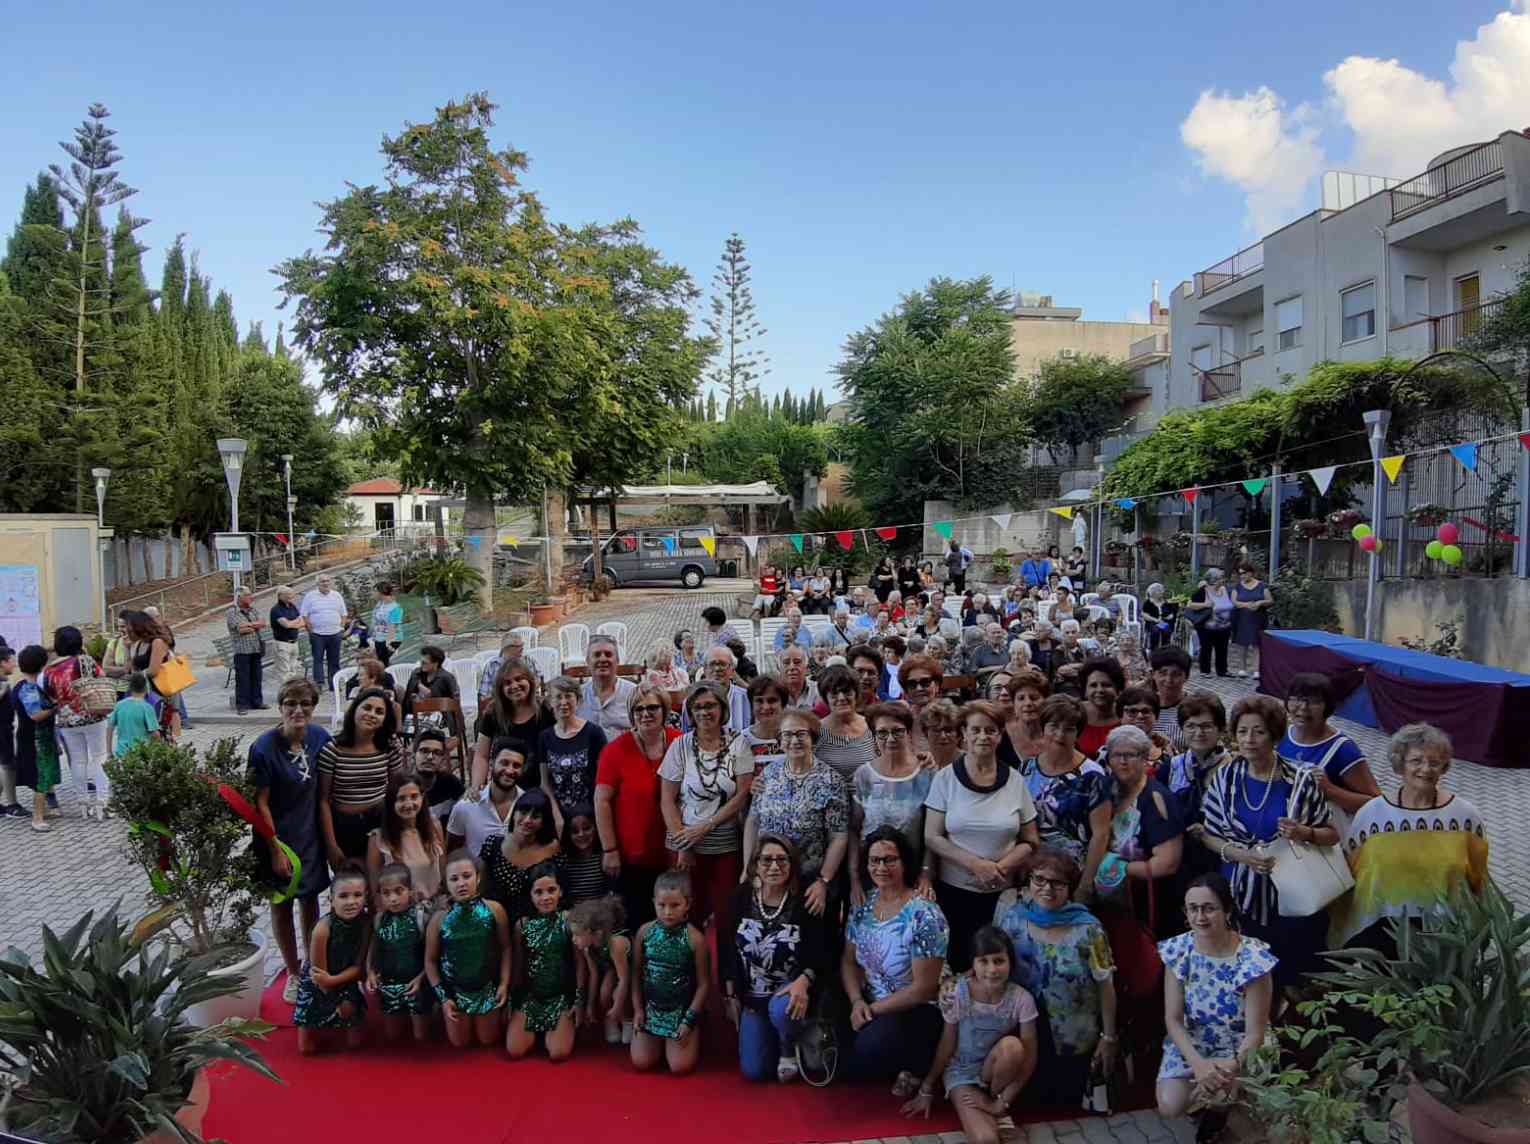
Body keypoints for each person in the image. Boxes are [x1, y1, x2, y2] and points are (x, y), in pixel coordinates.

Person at [1199, 696, 1336, 989]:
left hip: (1292, 894)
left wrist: (1304, 832)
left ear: (1274, 734)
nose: (1249, 739)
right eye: (1242, 731)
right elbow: (1208, 835)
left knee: (1289, 975)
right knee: (1244, 974)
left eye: (1258, 731)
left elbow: (1331, 834)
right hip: (1239, 893)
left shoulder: (1299, 780)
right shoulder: (1225, 778)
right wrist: (1243, 856)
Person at [1331, 723, 1489, 954]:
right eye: (1416, 760)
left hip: (1444, 933)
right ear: (1399, 765)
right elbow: (1350, 872)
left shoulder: (1466, 817)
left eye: (1434, 762)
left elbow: (1479, 880)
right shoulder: (1372, 815)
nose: (1426, 769)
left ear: (1444, 767)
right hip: (1379, 930)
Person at [994, 848, 1118, 1108]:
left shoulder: (1089, 929)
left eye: (1057, 882)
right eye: (1039, 879)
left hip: (1072, 1038)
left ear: (1069, 887)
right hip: (1023, 1032)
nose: (1047, 888)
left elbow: (1106, 986)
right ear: (1029, 881)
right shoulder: (1013, 920)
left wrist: (1109, 1038)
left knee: (1060, 1100)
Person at [925, 700, 1042, 971]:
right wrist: (975, 865)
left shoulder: (1015, 780)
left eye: (990, 730)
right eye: (975, 730)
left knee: (999, 968)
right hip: (954, 894)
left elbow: (1031, 840)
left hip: (1003, 895)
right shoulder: (945, 779)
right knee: (959, 964)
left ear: (1000, 735)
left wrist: (998, 869)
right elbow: (932, 836)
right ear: (963, 735)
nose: (982, 737)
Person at [1156, 874, 1276, 1124]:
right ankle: (1207, 1105)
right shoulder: (1179, 950)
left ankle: (1223, 1112)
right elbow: (1173, 1018)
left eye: (1209, 909)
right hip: (1195, 1041)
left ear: (1227, 910)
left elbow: (1256, 1032)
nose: (1200, 917)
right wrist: (1198, 1065)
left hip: (1240, 1046)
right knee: (1170, 1104)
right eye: (1193, 909)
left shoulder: (1252, 957)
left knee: (1223, 1096)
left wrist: (1227, 1068)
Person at [901, 926, 1039, 1144]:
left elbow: (1029, 1057)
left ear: (1010, 962)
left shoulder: (1022, 999)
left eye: (999, 960)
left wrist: (1001, 1103)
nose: (992, 969)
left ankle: (997, 1109)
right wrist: (927, 1087)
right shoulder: (957, 993)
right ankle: (988, 1114)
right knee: (986, 1140)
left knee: (1013, 1046)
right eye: (983, 961)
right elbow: (947, 1043)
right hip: (961, 1072)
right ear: (972, 965)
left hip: (996, 1072)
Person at [842, 826, 950, 1089]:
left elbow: (924, 989)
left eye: (890, 859)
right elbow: (848, 961)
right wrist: (857, 1001)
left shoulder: (924, 914)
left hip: (914, 1010)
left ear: (904, 863)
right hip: (870, 1000)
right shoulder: (864, 906)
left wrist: (871, 1011)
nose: (881, 867)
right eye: (875, 860)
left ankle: (917, 1065)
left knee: (866, 1053)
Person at [721, 835, 830, 1083]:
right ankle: (774, 1035)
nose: (774, 867)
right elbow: (726, 948)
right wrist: (728, 994)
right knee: (755, 1071)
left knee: (781, 1011)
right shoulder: (739, 898)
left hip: (790, 995)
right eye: (767, 860)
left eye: (782, 860)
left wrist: (805, 980)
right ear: (755, 865)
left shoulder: (805, 900)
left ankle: (790, 1041)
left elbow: (823, 952)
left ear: (792, 865)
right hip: (752, 998)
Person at [250, 678, 331, 1002]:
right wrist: (274, 849)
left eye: (305, 704)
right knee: (281, 901)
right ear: (281, 707)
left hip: (309, 831)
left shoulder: (319, 738)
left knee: (309, 898)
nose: (298, 710)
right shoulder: (264, 748)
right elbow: (260, 802)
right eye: (291, 704)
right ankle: (292, 972)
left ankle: (311, 965)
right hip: (278, 835)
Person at [660, 680, 753, 932]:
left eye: (710, 705)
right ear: (689, 712)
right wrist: (684, 844)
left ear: (723, 708)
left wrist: (705, 827)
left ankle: (724, 969)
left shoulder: (738, 743)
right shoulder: (679, 745)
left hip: (725, 844)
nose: (704, 712)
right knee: (686, 914)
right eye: (697, 707)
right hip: (684, 845)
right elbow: (667, 799)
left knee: (726, 913)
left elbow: (742, 793)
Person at [742, 707, 850, 916]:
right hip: (769, 877)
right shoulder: (768, 774)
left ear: (812, 738)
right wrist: (748, 868)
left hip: (809, 882)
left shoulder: (831, 780)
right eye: (788, 735)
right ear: (780, 741)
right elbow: (753, 821)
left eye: (801, 734)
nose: (795, 740)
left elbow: (839, 837)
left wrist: (823, 881)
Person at [595, 687, 681, 928]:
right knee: (636, 924)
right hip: (631, 858)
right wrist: (609, 849)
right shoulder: (615, 751)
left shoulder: (681, 743)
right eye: (638, 709)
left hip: (675, 855)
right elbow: (601, 801)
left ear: (664, 710)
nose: (645, 713)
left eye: (652, 707)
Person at [1019, 694, 1112, 901]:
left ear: (1077, 733)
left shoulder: (1092, 774)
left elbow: (1101, 834)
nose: (1060, 735)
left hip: (1073, 876)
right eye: (1053, 726)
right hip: (1034, 875)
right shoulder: (1026, 768)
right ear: (1043, 728)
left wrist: (1086, 884)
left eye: (1069, 729)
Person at [1098, 725, 1185, 935]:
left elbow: (1168, 863)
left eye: (1131, 755)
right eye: (1117, 755)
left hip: (1146, 906)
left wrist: (1115, 868)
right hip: (1109, 903)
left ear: (1145, 758)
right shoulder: (1107, 789)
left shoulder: (1156, 797)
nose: (1123, 761)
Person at [427, 850, 513, 1049]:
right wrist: (444, 998)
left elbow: (507, 948)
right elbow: (430, 961)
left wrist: (503, 984)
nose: (461, 883)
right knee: (460, 1043)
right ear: (447, 884)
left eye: (467, 876)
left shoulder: (494, 910)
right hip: (455, 991)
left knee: (487, 1040)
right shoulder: (439, 919)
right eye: (454, 879)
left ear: (478, 877)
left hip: (486, 988)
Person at [852, 703, 936, 905]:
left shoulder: (927, 774)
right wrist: (854, 877)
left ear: (908, 733)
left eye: (897, 731)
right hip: (871, 874)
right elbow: (854, 829)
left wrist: (926, 874)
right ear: (873, 736)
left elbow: (934, 834)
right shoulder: (863, 775)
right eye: (882, 733)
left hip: (911, 875)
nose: (890, 739)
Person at [631, 870, 710, 1074]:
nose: (667, 912)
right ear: (653, 903)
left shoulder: (695, 939)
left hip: (680, 1012)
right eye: (662, 905)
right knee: (641, 1062)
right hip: (651, 1009)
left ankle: (691, 1035)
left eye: (675, 905)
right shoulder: (644, 932)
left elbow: (703, 984)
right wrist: (638, 1010)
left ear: (688, 904)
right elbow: (636, 975)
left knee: (679, 1067)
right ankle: (657, 1041)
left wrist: (688, 1021)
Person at [317, 687, 404, 866]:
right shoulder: (332, 750)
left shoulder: (389, 747)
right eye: (367, 708)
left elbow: (397, 791)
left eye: (379, 712)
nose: (372, 714)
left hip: (379, 822)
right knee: (351, 883)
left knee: (380, 882)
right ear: (355, 709)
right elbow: (323, 801)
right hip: (344, 826)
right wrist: (331, 845)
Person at [1279, 672, 1381, 822]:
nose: (1303, 707)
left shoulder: (1342, 749)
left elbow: (1377, 804)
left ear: (1328, 706)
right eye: (1297, 699)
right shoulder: (1282, 734)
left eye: (1313, 701)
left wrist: (1329, 790)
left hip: (1323, 837)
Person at [507, 862, 584, 1061]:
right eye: (538, 892)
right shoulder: (522, 925)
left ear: (561, 891)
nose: (546, 897)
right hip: (531, 997)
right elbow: (518, 967)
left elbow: (580, 964)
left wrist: (579, 999)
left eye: (551, 890)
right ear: (530, 895)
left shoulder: (568, 920)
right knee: (515, 1051)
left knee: (558, 1054)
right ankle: (533, 1030)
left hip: (560, 998)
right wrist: (513, 1001)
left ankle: (556, 1029)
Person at [294, 862, 371, 1054]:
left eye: (357, 895)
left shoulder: (365, 924)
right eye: (343, 896)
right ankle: (313, 1024)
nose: (351, 901)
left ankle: (347, 1014)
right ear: (331, 899)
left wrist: (337, 983)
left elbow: (359, 967)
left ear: (366, 897)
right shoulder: (322, 929)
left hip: (344, 978)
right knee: (306, 1050)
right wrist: (332, 991)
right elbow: (319, 976)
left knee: (355, 1042)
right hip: (317, 983)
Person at [43, 626, 112, 819]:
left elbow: (50, 696)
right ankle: (102, 802)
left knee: (78, 760)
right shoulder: (84, 661)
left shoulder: (50, 670)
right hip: (93, 714)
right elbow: (102, 679)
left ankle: (83, 804)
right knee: (99, 756)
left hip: (67, 721)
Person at [367, 863, 435, 1042]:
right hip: (390, 983)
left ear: (410, 891)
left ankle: (431, 1012)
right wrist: (371, 973)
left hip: (417, 984)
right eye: (386, 893)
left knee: (421, 1036)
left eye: (399, 891)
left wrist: (421, 978)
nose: (393, 899)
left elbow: (432, 955)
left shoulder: (421, 917)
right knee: (393, 1036)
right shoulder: (380, 919)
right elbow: (372, 950)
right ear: (380, 895)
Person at [1165, 692, 1231, 875]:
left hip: (1219, 857)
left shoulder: (1233, 770)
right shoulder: (1173, 766)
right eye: (1191, 726)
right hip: (1177, 856)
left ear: (1220, 728)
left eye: (1206, 726)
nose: (1198, 733)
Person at [366, 770, 445, 912]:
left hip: (435, 910)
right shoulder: (378, 839)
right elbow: (375, 892)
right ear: (391, 802)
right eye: (401, 798)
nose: (409, 804)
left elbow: (444, 873)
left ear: (422, 797)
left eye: (414, 797)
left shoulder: (434, 827)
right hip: (399, 915)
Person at [481, 788, 563, 922]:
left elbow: (560, 892)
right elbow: (481, 887)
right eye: (523, 812)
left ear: (544, 822)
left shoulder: (553, 849)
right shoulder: (493, 844)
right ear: (514, 813)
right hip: (495, 923)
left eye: (535, 816)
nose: (527, 820)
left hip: (536, 928)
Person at [471, 658, 551, 792]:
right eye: (507, 683)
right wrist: (476, 787)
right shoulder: (492, 714)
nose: (514, 686)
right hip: (505, 787)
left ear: (530, 681)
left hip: (541, 787)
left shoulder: (547, 710)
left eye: (519, 679)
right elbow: (481, 755)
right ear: (500, 689)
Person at [539, 675, 609, 827]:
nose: (563, 702)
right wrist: (556, 815)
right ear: (551, 702)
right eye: (558, 697)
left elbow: (603, 778)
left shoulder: (594, 733)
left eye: (568, 696)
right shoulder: (545, 737)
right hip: (559, 814)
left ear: (577, 700)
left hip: (590, 812)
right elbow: (545, 783)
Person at [447, 738, 524, 859]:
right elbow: (453, 854)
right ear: (492, 764)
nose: (510, 770)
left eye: (516, 765)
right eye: (504, 763)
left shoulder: (530, 806)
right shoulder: (465, 807)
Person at [570, 895, 632, 1045]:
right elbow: (594, 975)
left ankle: (627, 1019)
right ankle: (609, 1019)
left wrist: (617, 1006)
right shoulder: (587, 948)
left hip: (631, 971)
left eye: (577, 935)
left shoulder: (616, 944)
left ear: (596, 933)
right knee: (604, 992)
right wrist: (590, 1005)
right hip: (612, 968)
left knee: (618, 993)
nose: (573, 939)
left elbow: (624, 978)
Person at [12, 645, 58, 832]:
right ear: (41, 665)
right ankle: (37, 817)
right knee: (40, 777)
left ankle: (44, 811)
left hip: (35, 737)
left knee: (44, 775)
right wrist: (55, 706)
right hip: (35, 738)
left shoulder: (21, 686)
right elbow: (36, 715)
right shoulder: (29, 689)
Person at [816, 663, 876, 786]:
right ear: (825, 698)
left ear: (856, 694)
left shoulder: (873, 726)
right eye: (834, 693)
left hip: (868, 801)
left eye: (847, 692)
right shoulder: (814, 731)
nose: (841, 697)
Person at [401, 646, 462, 748]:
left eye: (425, 662)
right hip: (417, 715)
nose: (421, 665)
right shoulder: (416, 674)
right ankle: (418, 746)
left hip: (442, 718)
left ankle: (419, 745)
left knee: (428, 727)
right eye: (421, 662)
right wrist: (415, 697)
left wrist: (420, 687)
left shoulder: (446, 678)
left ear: (435, 663)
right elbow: (409, 697)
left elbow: (454, 703)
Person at [579, 634, 637, 735]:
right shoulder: (578, 696)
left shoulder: (633, 693)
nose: (602, 659)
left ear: (618, 661)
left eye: (608, 654)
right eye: (596, 655)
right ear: (587, 662)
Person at [300, 574, 350, 688]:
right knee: (317, 658)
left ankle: (334, 683)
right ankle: (319, 683)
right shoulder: (310, 596)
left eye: (327, 581)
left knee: (334, 659)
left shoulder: (336, 595)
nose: (325, 583)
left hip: (335, 633)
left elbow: (344, 613)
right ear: (318, 583)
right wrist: (310, 628)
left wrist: (341, 627)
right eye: (322, 581)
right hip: (317, 634)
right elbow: (304, 614)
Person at [688, 645, 752, 733]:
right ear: (705, 669)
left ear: (732, 670)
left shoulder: (747, 699)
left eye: (722, 664)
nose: (717, 669)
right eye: (712, 664)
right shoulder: (691, 701)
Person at [409, 727, 464, 827]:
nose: (430, 757)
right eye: (424, 751)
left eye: (437, 753)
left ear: (443, 759)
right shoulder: (402, 788)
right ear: (413, 756)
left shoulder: (451, 784)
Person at [1184, 568, 1234, 678]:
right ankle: (1205, 671)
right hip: (1207, 626)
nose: (1223, 580)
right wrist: (1205, 604)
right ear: (1214, 580)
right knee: (1206, 648)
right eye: (1221, 578)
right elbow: (1190, 605)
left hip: (1224, 626)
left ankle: (1222, 671)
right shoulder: (1203, 591)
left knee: (1223, 649)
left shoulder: (1225, 590)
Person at [225, 588, 266, 714]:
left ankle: (257, 701)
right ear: (239, 597)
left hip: (255, 647)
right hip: (242, 650)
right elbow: (239, 629)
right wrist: (254, 625)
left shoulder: (252, 610)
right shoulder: (232, 611)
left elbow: (262, 623)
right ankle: (242, 705)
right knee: (242, 678)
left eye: (250, 595)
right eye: (247, 595)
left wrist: (249, 625)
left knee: (257, 676)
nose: (250, 597)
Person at [1230, 564, 1273, 679]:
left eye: (1244, 573)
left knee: (1256, 644)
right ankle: (1242, 669)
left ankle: (1256, 670)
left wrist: (1260, 603)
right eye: (1240, 573)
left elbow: (1270, 600)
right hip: (1241, 618)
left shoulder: (1261, 585)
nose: (1242, 576)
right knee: (1241, 644)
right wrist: (1246, 605)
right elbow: (1234, 601)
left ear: (1251, 573)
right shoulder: (1238, 586)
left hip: (1257, 618)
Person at [105, 672, 159, 763]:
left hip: (122, 752)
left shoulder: (119, 705)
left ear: (129, 688)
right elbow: (155, 733)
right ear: (146, 688)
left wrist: (109, 752)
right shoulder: (147, 707)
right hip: (142, 753)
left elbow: (109, 728)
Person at [1077, 658, 1124, 759]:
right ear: (1085, 690)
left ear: (1117, 689)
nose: (1099, 690)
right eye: (1093, 685)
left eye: (1106, 685)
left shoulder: (1127, 715)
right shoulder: (1074, 713)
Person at [560, 803, 606, 905]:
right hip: (573, 916)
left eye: (587, 828)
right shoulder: (564, 860)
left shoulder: (604, 857)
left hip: (602, 913)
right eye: (575, 831)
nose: (581, 834)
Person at [1149, 647, 1193, 752]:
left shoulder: (1193, 708)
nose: (1169, 680)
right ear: (1153, 674)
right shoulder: (1143, 705)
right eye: (1162, 673)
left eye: (1176, 674)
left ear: (1186, 677)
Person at [1004, 670, 1049, 763]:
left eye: (1034, 698)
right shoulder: (1001, 736)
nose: (1028, 703)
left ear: (1046, 701)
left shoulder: (1057, 734)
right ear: (1013, 703)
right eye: (1021, 698)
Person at [268, 586, 306, 683]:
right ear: (280, 596)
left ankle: (293, 693)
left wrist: (294, 623)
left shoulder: (292, 606)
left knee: (294, 669)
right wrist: (296, 622)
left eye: (291, 594)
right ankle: (285, 694)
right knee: (284, 672)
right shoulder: (276, 610)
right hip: (282, 643)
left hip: (294, 642)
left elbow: (302, 622)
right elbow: (286, 625)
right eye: (288, 595)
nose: (291, 597)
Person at [476, 635, 527, 703]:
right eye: (517, 646)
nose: (522, 648)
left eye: (522, 645)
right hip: (500, 703)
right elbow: (483, 694)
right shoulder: (493, 665)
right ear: (506, 648)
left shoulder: (527, 660)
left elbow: (539, 680)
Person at [370, 582, 404, 667]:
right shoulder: (379, 604)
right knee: (381, 662)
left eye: (374, 591)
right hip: (379, 638)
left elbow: (393, 627)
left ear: (380, 592)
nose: (372, 594)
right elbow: (375, 621)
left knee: (381, 663)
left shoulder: (395, 608)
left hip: (391, 639)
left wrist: (388, 645)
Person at [777, 644, 819, 711]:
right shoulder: (773, 694)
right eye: (786, 663)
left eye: (797, 662)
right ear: (778, 667)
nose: (792, 667)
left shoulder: (819, 691)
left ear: (806, 666)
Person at [1143, 583, 1179, 652]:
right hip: (1152, 623)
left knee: (1166, 630)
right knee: (1155, 630)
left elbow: (1172, 614)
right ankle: (1153, 649)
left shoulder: (1167, 602)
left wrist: (1170, 616)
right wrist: (1155, 620)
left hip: (1164, 622)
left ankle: (1165, 649)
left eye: (1161, 591)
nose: (1162, 592)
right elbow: (1145, 615)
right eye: (1159, 591)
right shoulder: (1148, 603)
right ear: (1153, 593)